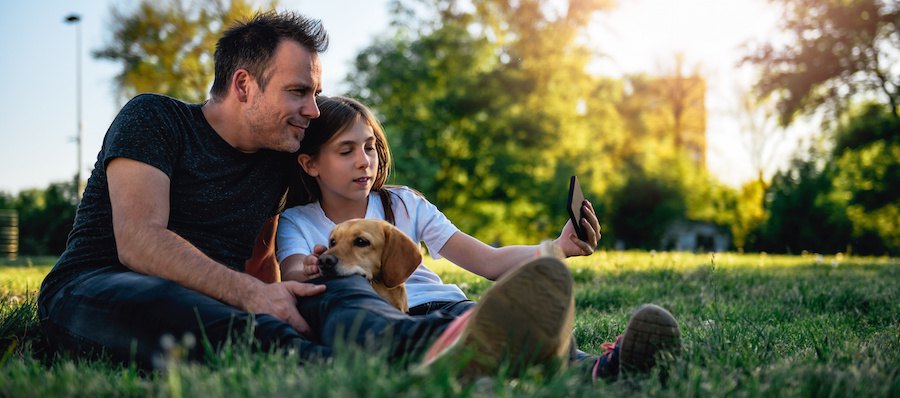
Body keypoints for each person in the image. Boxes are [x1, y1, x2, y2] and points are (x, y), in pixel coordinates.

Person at [36, 11, 579, 376]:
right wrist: (257, 296)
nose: (313, 110)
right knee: (201, 315)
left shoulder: (280, 161)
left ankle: (466, 345)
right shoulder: (155, 119)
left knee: (331, 283)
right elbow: (138, 241)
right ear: (244, 85)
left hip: (221, 297)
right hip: (100, 287)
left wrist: (287, 288)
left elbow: (278, 251)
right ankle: (425, 354)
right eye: (298, 91)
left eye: (315, 93)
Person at [274, 95, 682, 381]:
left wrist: (558, 248)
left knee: (513, 331)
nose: (364, 161)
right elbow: (294, 270)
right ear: (310, 164)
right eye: (346, 151)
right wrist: (311, 267)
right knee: (500, 351)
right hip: (393, 325)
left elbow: (486, 261)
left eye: (369, 148)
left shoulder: (404, 204)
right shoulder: (298, 221)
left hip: (451, 309)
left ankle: (606, 367)